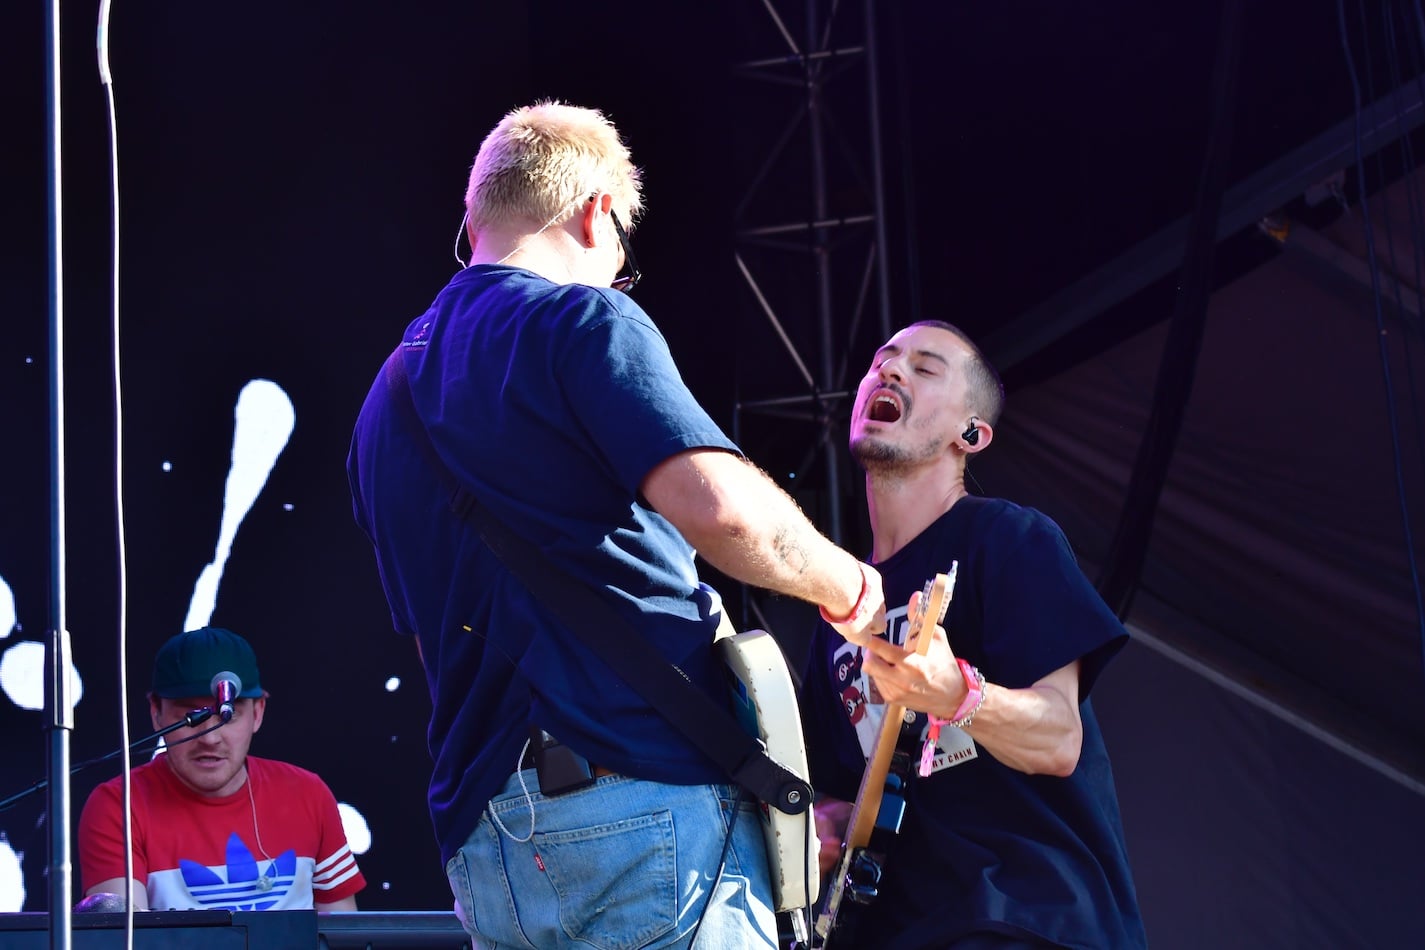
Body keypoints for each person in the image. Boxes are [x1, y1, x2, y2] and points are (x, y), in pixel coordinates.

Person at [346, 100, 885, 949]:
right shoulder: (578, 318)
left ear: (474, 219)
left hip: (486, 837)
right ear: (597, 213)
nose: (618, 281)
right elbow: (725, 514)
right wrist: (850, 586)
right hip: (638, 799)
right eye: (621, 263)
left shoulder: (382, 406)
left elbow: (430, 642)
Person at [802, 320, 1146, 949]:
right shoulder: (838, 615)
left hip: (1026, 915)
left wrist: (959, 694)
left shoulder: (1008, 539)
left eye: (925, 368)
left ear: (971, 433)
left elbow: (1059, 737)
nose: (890, 370)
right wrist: (817, 825)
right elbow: (840, 796)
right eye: (881, 360)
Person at [77, 626, 365, 912]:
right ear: (156, 713)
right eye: (190, 715)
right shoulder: (118, 805)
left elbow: (342, 930)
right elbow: (122, 933)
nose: (210, 738)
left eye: (229, 714)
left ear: (258, 713)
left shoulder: (308, 794)